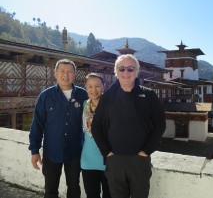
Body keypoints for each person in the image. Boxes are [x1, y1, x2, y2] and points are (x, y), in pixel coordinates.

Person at [91, 54, 166, 198]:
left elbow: (160, 124)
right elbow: (96, 126)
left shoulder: (149, 95)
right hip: (115, 160)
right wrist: (106, 152)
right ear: (116, 72)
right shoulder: (108, 97)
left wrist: (147, 151)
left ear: (137, 72)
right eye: (122, 69)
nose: (126, 73)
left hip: (140, 160)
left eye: (130, 69)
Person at [29, 59, 88, 198]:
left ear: (74, 74)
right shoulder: (46, 96)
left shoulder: (83, 95)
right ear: (55, 73)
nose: (65, 75)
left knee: (74, 188)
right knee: (50, 190)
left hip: (75, 151)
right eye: (62, 71)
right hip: (51, 152)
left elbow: (92, 123)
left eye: (69, 72)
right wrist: (34, 151)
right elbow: (37, 124)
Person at [81, 73, 111, 198]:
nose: (94, 90)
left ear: (103, 86)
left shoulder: (111, 106)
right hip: (87, 159)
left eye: (97, 86)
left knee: (109, 195)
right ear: (86, 88)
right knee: (92, 195)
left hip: (108, 158)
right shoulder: (84, 105)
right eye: (90, 86)